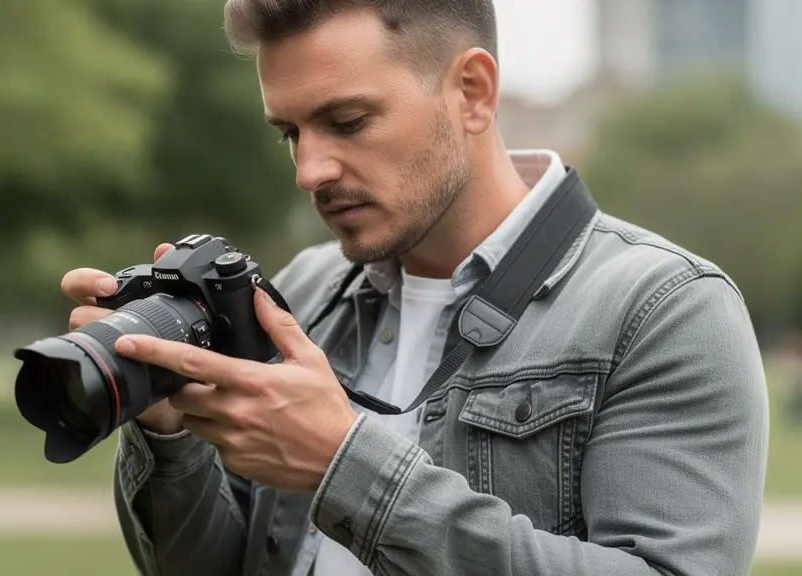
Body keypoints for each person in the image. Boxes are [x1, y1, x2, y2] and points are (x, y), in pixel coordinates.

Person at [61, 1, 769, 574]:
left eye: (347, 122)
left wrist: (347, 466)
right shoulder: (300, 292)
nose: (310, 171)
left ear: (472, 92)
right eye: (290, 134)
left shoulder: (664, 308)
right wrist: (165, 425)